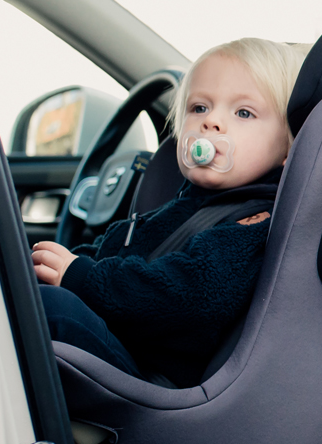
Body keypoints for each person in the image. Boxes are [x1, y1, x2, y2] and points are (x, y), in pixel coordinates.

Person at [32, 38, 306, 387]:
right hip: (125, 346)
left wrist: (82, 277)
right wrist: (57, 264)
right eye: (199, 108)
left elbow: (190, 296)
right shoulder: (182, 206)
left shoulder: (251, 225)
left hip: (152, 381)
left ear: (288, 146)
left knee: (54, 310)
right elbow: (117, 251)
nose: (212, 122)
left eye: (243, 113)